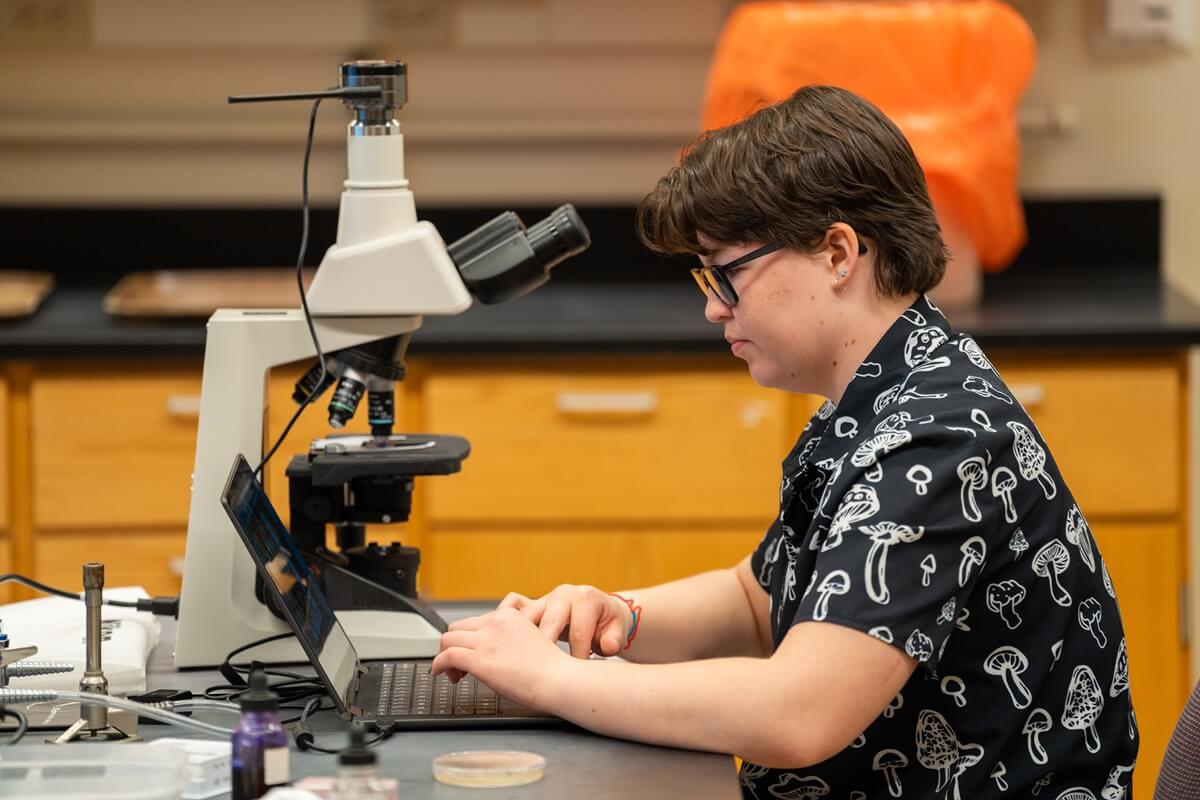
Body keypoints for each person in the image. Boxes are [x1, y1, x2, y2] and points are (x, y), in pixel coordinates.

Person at [431, 85, 1138, 799]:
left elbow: (801, 713)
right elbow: (755, 599)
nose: (712, 307)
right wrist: (621, 614)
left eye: (728, 274)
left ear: (837, 254)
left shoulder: (936, 441)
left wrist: (553, 679)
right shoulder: (877, 396)